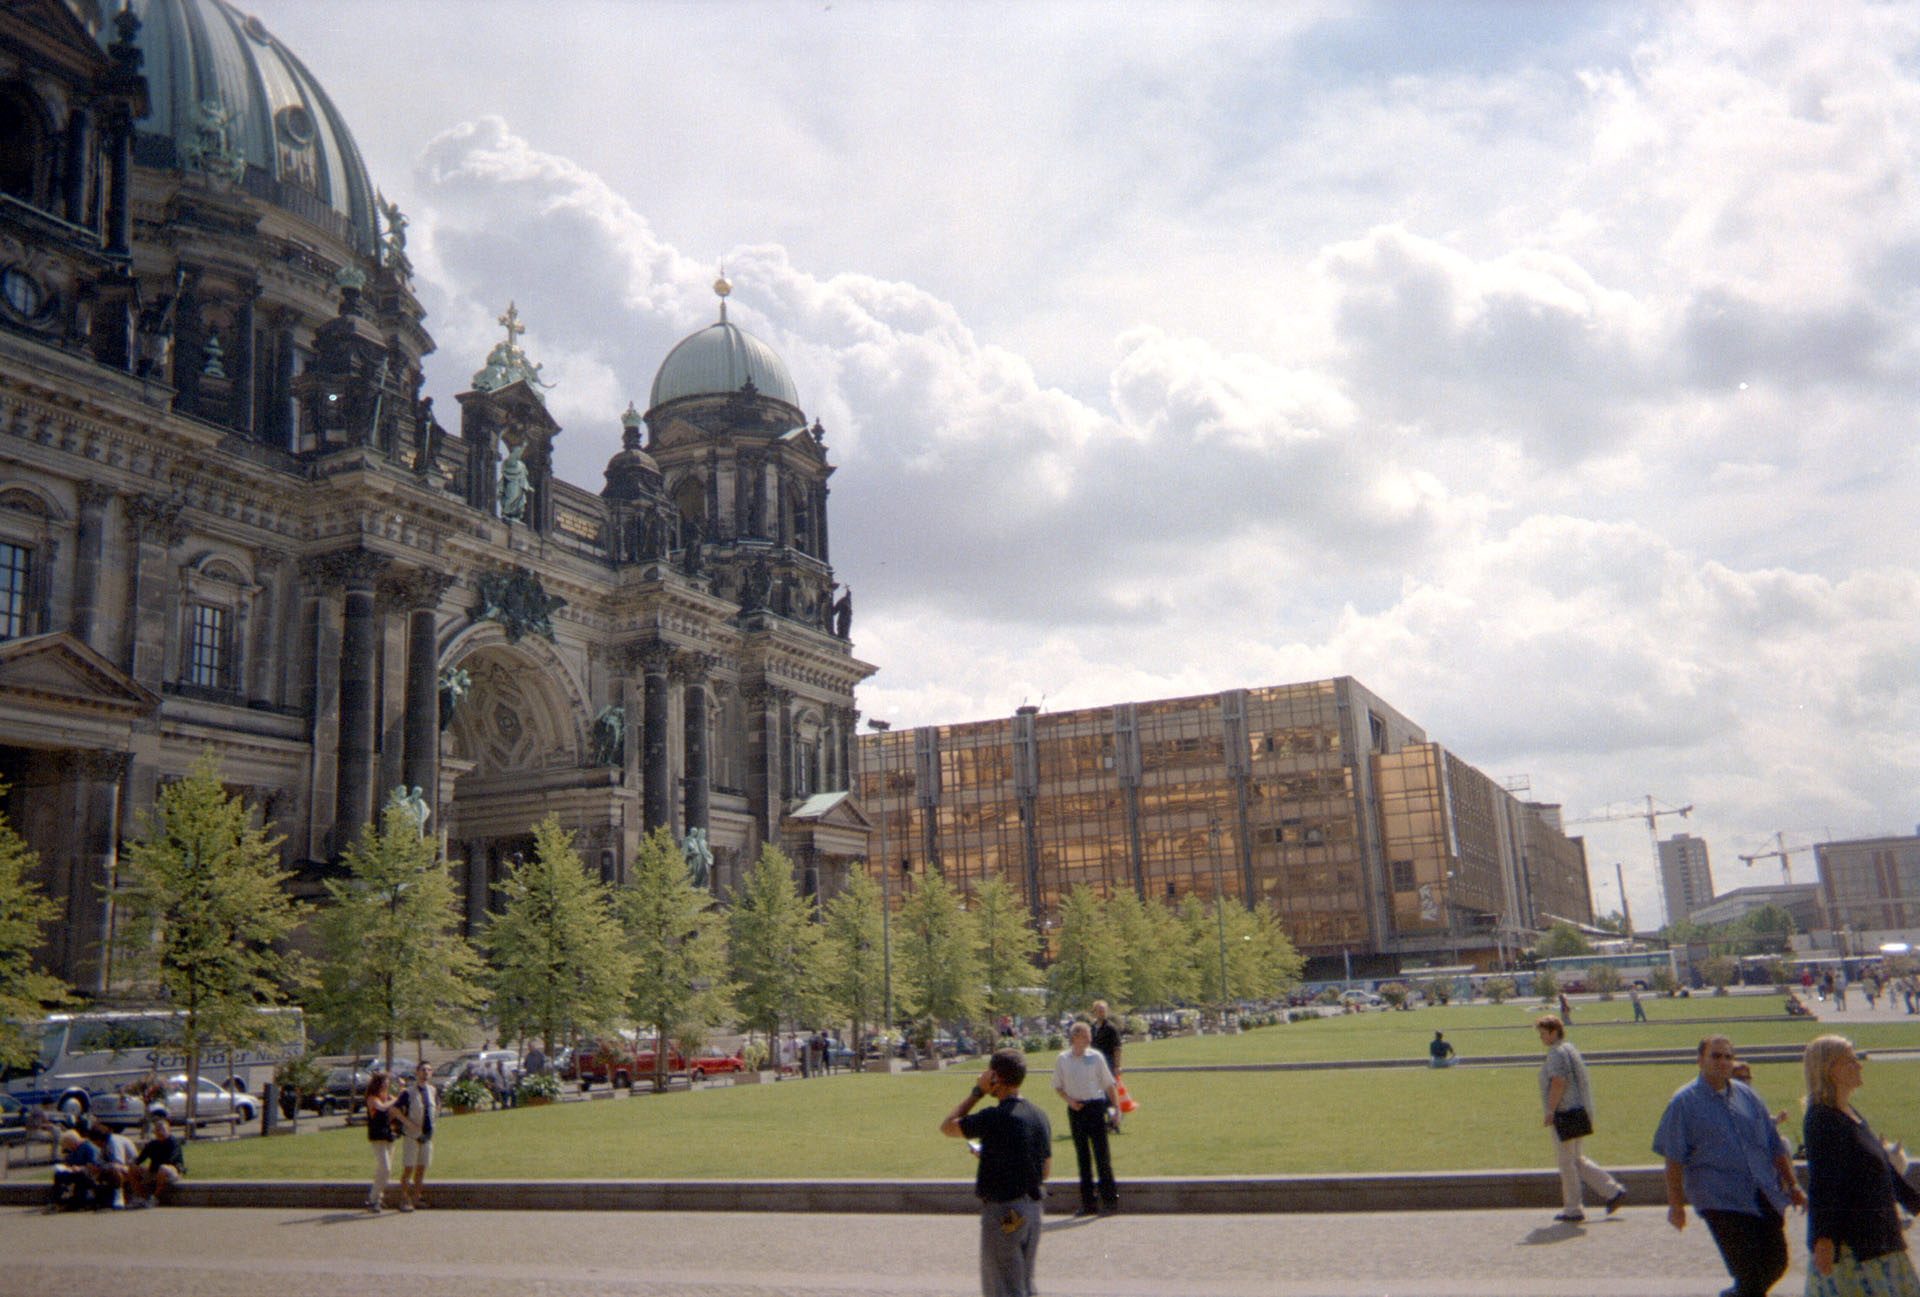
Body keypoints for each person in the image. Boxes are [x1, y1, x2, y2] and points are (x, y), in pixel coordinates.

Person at [1652, 1036, 1805, 1297]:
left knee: (1776, 1263)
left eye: (1728, 1056)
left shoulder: (1748, 1095)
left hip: (1762, 1192)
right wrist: (1676, 1205)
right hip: (1720, 1199)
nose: (1723, 1062)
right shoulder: (1683, 1103)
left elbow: (1774, 1145)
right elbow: (1674, 1159)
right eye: (1716, 1056)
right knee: (1748, 1271)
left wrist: (1792, 1184)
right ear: (1700, 1060)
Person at [1801, 1035, 1920, 1296]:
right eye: (1851, 1060)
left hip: (1882, 1239)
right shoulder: (1822, 1119)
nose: (1859, 1065)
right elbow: (1824, 1182)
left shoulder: (1850, 1114)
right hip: (1854, 1248)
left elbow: (1885, 1171)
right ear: (1830, 1069)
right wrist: (1823, 1239)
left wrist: (1915, 1203)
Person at [941, 1048, 1052, 1297]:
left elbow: (948, 1127)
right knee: (1024, 1284)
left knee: (1002, 1288)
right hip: (1033, 1209)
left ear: (996, 1077)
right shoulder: (1038, 1116)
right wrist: (996, 1156)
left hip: (1004, 1212)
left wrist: (976, 1093)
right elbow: (1044, 1170)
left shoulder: (993, 1116)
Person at [1535, 1014, 1625, 1223]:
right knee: (1576, 1159)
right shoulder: (1570, 1049)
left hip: (1566, 1112)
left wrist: (1550, 1110)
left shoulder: (1556, 1053)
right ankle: (1613, 1191)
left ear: (1553, 1032)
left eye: (1542, 1033)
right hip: (1580, 1110)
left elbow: (1558, 1082)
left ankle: (1573, 1208)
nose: (1541, 1038)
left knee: (1567, 1162)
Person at [1051, 1021, 1120, 1217]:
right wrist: (1069, 1101)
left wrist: (1115, 1109)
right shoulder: (1063, 1059)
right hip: (1076, 1109)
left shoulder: (1096, 1056)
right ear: (1075, 1036)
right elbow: (1057, 1085)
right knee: (1083, 1157)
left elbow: (1109, 1084)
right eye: (1086, 1033)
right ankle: (1088, 1203)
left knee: (1102, 1155)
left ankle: (1110, 1201)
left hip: (1095, 1107)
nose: (1089, 1037)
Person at [395, 1060, 438, 1212]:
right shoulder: (408, 1092)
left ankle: (416, 1197)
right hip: (411, 1136)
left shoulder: (432, 1091)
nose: (426, 1072)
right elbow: (395, 1110)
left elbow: (436, 1108)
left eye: (428, 1070)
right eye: (423, 1070)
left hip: (426, 1136)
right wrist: (408, 1123)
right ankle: (403, 1198)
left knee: (421, 1168)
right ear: (417, 1072)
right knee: (409, 1168)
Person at [1089, 1000, 1128, 1131]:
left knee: (1110, 1094)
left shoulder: (1111, 1028)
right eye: (1099, 1010)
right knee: (1099, 1094)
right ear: (1094, 1012)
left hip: (1108, 1064)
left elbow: (1117, 1048)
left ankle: (1114, 1121)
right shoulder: (1092, 1028)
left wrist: (1117, 1066)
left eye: (1103, 1010)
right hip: (1095, 1066)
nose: (1102, 1013)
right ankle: (1106, 1121)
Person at [130, 1117, 186, 1208]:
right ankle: (140, 1198)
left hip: (172, 1171)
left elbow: (169, 1161)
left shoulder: (173, 1143)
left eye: (162, 1130)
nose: (160, 1132)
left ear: (168, 1130)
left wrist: (152, 1169)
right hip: (155, 1171)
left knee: (163, 1168)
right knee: (132, 1169)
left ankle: (155, 1198)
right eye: (157, 1130)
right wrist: (133, 1165)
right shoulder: (152, 1144)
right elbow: (139, 1159)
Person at [364, 1070, 397, 1213]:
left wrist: (402, 1090)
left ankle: (378, 1198)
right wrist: (397, 1098)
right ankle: (372, 1199)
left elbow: (398, 1104)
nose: (386, 1086)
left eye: (387, 1083)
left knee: (385, 1170)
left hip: (388, 1135)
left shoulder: (388, 1097)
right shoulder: (372, 1098)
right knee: (385, 1167)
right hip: (377, 1136)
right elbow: (382, 1107)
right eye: (384, 1083)